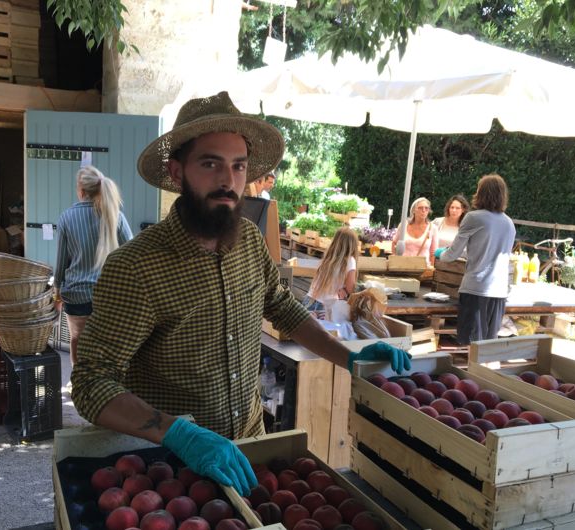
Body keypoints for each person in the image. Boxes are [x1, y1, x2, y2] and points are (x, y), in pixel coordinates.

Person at [70, 92, 411, 496]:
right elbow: (91, 382)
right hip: (169, 475)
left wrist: (350, 359)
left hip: (250, 449)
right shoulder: (137, 267)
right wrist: (177, 433)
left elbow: (282, 307)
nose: (228, 180)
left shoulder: (249, 240)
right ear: (177, 172)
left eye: (238, 166)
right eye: (210, 163)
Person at [54, 165, 133, 366]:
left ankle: (80, 385)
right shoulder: (115, 216)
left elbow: (61, 263)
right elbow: (133, 253)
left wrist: (56, 293)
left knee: (77, 340)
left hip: (76, 296)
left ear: (81, 190)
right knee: (106, 345)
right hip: (109, 295)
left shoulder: (66, 217)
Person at [435, 174, 516, 345]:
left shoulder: (474, 217)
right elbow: (489, 252)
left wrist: (440, 254)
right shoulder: (509, 223)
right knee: (488, 346)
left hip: (476, 289)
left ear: (482, 193)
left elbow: (453, 253)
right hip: (499, 292)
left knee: (472, 346)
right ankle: (487, 372)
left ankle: (474, 372)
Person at [302, 227, 360, 321]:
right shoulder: (350, 260)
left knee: (307, 334)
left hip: (309, 301)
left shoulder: (328, 258)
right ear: (352, 245)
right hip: (324, 307)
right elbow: (351, 288)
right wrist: (346, 290)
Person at [393, 197, 438, 266]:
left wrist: (431, 268)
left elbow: (433, 253)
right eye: (420, 208)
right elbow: (394, 243)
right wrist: (395, 260)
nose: (423, 210)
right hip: (402, 266)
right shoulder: (403, 225)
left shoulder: (433, 228)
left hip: (422, 268)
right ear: (413, 210)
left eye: (426, 208)